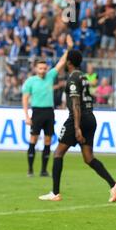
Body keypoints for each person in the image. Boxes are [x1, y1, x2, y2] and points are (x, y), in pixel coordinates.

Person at [39, 49, 116, 202]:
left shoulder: (72, 78)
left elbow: (76, 103)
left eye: (65, 61)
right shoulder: (83, 76)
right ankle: (113, 185)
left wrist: (77, 128)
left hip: (78, 118)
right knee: (89, 158)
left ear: (69, 62)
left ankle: (55, 193)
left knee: (58, 153)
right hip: (90, 117)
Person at [22, 35, 72, 177]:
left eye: (44, 68)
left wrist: (68, 48)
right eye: (40, 68)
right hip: (37, 112)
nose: (43, 70)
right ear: (36, 69)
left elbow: (62, 62)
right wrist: (26, 116)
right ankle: (30, 169)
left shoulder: (50, 76)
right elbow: (25, 99)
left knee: (48, 141)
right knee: (33, 139)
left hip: (49, 112)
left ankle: (43, 170)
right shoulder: (30, 81)